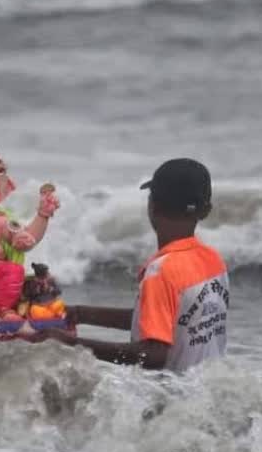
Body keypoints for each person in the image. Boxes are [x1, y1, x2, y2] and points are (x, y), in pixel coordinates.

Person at [33, 158, 228, 372]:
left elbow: (153, 355)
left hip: (171, 397)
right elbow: (162, 319)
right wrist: (79, 314)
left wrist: (70, 344)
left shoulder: (161, 271)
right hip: (204, 393)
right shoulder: (213, 261)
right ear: (206, 210)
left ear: (152, 206)